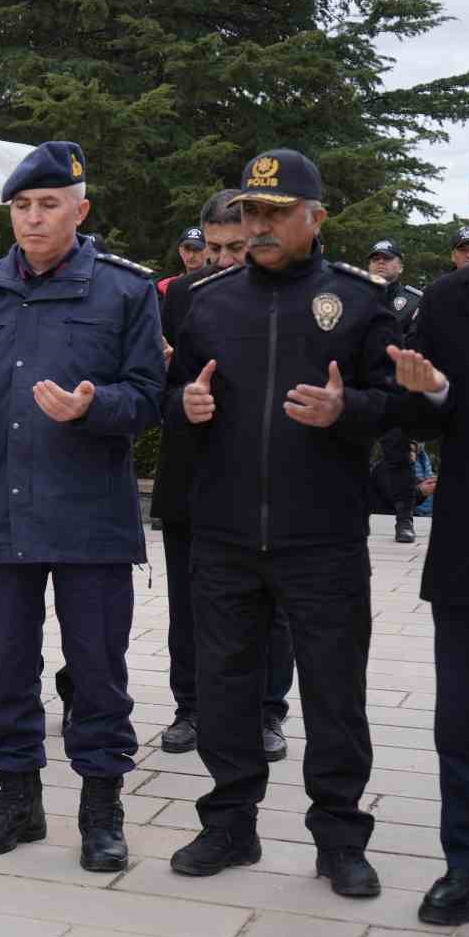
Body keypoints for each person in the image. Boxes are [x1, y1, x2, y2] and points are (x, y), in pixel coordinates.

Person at [164, 149, 399, 898]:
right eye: (249, 212)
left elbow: (402, 407)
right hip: (226, 533)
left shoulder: (360, 301)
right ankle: (230, 824)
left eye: (274, 213)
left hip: (321, 536)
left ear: (315, 217)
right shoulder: (209, 299)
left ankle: (338, 837)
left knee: (335, 692)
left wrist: (347, 411)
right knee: (226, 687)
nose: (257, 226)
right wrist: (185, 410)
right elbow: (174, 396)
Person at [0, 141, 163, 874]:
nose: (33, 218)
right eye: (22, 206)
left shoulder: (126, 291)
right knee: (6, 668)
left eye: (48, 204)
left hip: (89, 517)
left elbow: (149, 397)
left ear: (80, 210)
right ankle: (17, 800)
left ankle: (101, 807)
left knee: (97, 670)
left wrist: (96, 406)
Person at [151, 190, 294, 760]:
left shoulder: (287, 293)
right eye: (211, 248)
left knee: (271, 603)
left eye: (234, 247)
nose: (221, 259)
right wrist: (180, 397)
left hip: (265, 481)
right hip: (193, 472)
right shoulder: (181, 295)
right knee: (187, 602)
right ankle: (191, 706)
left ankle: (266, 712)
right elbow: (152, 387)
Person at [384, 196, 469, 922]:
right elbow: (416, 413)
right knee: (464, 720)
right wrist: (434, 390)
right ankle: (466, 865)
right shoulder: (447, 301)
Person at [366, 238, 422, 542]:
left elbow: (419, 344)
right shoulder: (354, 296)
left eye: (387, 258)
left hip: (395, 389)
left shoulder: (413, 301)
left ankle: (404, 519)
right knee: (351, 453)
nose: (381, 263)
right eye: (375, 258)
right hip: (360, 387)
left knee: (398, 456)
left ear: (400, 265)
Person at [157, 226, 207, 297]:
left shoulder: (218, 285)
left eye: (197, 250)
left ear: (208, 251)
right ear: (180, 251)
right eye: (187, 249)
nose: (191, 256)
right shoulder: (166, 286)